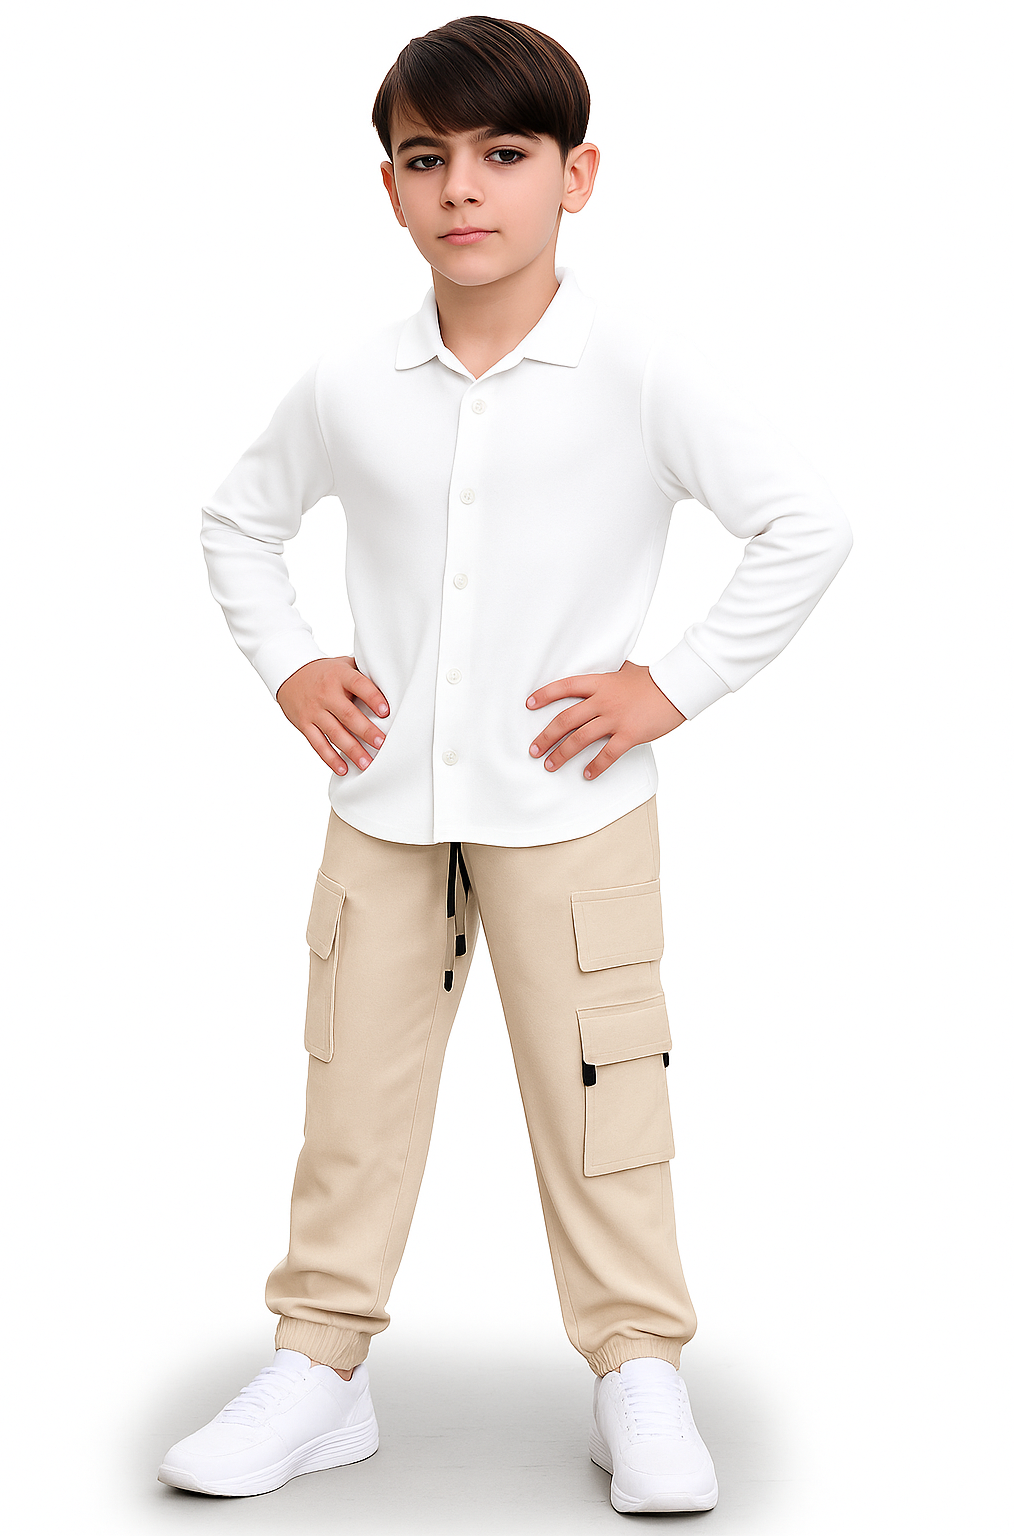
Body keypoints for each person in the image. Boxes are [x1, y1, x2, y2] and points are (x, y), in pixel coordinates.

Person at [157, 14, 852, 1515]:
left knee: (606, 1095)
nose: (464, 187)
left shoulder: (640, 371)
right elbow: (237, 521)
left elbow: (805, 525)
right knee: (351, 1091)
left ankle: (637, 1369)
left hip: (574, 812)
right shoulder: (351, 378)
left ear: (575, 176)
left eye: (506, 153)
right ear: (391, 189)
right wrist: (292, 665)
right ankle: (320, 1367)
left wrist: (672, 685)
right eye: (427, 159)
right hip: (382, 812)